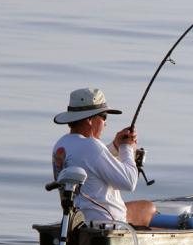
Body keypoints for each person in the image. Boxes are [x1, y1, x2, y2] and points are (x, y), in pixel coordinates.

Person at [52, 87, 156, 226]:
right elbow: (129, 182)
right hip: (106, 223)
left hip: (75, 221)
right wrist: (126, 148)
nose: (105, 123)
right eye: (104, 117)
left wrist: (115, 145)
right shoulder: (92, 145)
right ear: (90, 119)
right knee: (148, 208)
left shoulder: (62, 144)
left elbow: (91, 162)